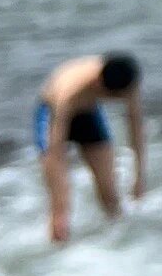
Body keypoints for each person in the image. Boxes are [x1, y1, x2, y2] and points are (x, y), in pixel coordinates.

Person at [34, 51, 145, 245]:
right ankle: (57, 248)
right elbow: (55, 149)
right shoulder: (70, 90)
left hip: (89, 116)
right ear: (98, 84)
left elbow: (135, 130)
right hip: (53, 113)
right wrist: (59, 187)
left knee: (110, 195)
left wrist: (139, 176)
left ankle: (120, 246)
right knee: (60, 206)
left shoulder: (128, 85)